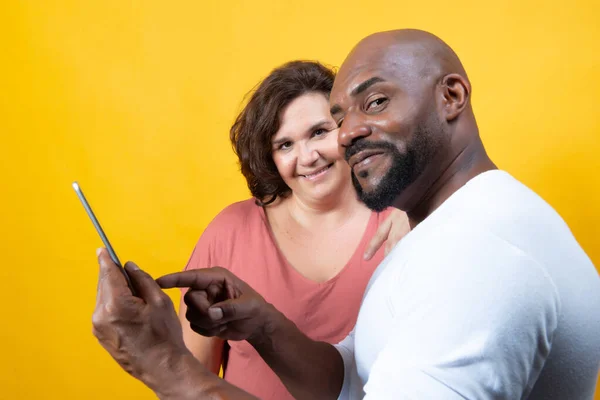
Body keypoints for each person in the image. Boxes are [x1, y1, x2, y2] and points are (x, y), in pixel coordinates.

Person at [91, 29, 600, 399]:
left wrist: (163, 365)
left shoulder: (479, 257)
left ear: (451, 96)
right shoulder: (448, 233)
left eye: (375, 102)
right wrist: (264, 326)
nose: (349, 132)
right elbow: (355, 377)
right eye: (340, 117)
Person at [180, 61, 409, 399]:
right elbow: (187, 379)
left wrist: (424, 213)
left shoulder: (401, 224)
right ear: (269, 157)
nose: (308, 156)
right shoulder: (231, 231)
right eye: (285, 145)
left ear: (347, 129)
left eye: (319, 132)